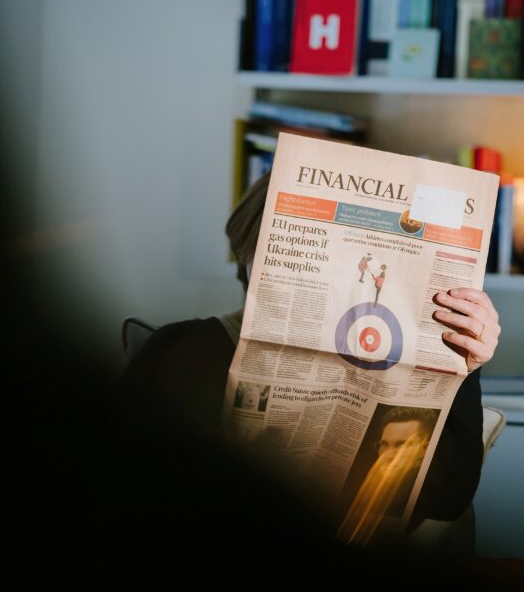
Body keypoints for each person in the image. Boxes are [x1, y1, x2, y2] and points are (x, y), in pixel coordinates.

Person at [120, 171, 501, 536]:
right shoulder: (180, 349)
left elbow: (445, 502)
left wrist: (462, 366)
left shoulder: (393, 363)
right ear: (245, 247)